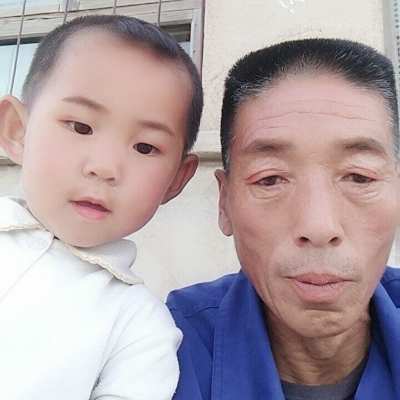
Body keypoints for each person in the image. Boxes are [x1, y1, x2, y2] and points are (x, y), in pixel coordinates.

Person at [167, 38, 400, 400]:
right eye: (270, 179)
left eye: (359, 177)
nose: (319, 227)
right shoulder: (158, 351)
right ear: (225, 203)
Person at [0, 14, 202, 399]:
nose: (105, 167)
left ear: (176, 179)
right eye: (80, 127)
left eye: (145, 147)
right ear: (17, 130)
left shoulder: (141, 327)